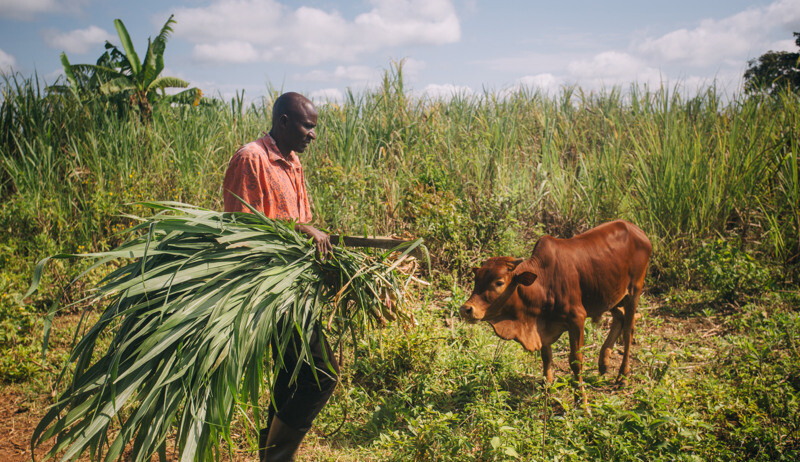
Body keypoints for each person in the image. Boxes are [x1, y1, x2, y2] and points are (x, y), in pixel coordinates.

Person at [222, 92, 339, 462]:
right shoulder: (251, 158)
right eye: (308, 126)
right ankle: (275, 457)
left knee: (290, 377)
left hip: (296, 287)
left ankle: (270, 457)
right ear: (284, 121)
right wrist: (305, 233)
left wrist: (317, 239)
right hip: (269, 289)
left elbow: (298, 222)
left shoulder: (292, 162)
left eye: (315, 128)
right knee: (321, 375)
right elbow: (242, 228)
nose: (313, 135)